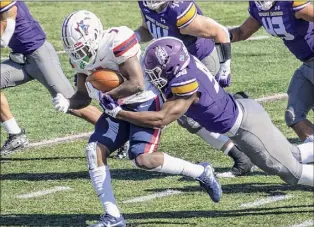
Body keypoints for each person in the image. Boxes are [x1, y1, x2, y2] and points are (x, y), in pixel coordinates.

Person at [54, 10, 222, 227]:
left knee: (141, 158)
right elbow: (83, 97)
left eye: (83, 47)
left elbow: (136, 83)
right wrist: (68, 102)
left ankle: (201, 172)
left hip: (144, 102)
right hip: (115, 107)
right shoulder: (80, 61)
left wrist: (108, 97)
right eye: (75, 50)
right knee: (94, 149)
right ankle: (113, 216)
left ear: (95, 35)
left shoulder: (116, 40)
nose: (81, 55)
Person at [100, 37, 314, 189]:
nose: (154, 76)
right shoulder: (185, 63)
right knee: (291, 153)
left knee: (289, 171)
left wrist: (119, 113)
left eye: (158, 71)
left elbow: (161, 118)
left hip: (247, 128)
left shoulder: (186, 84)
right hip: (247, 115)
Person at [134, 0, 254, 177]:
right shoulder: (146, 4)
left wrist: (225, 67)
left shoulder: (178, 10)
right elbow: (148, 29)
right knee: (191, 118)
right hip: (178, 66)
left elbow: (219, 32)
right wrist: (133, 36)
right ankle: (240, 110)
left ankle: (241, 153)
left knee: (195, 116)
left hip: (201, 61)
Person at [0, 1, 102, 155]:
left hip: (39, 56)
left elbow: (4, 38)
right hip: (20, 60)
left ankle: (119, 133)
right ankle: (16, 135)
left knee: (71, 102)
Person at [229, 0, 314, 143]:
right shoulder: (259, 8)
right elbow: (242, 32)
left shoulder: (291, 3)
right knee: (293, 116)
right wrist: (211, 36)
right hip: (307, 64)